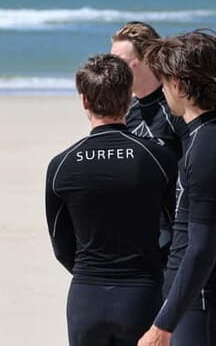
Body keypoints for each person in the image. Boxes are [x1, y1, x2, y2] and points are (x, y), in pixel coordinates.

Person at [46, 54, 177, 346]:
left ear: (84, 101)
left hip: (85, 298)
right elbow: (178, 231)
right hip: (141, 294)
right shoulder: (157, 158)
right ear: (128, 96)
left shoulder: (61, 165)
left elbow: (61, 245)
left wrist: (93, 272)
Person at [138, 31, 216, 346]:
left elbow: (202, 246)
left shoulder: (212, 146)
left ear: (178, 84)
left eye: (163, 82)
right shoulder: (205, 135)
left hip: (203, 309)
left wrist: (162, 326)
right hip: (193, 306)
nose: (162, 91)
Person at [111, 21, 188, 261]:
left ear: (147, 59)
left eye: (119, 62)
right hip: (137, 231)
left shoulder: (176, 109)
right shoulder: (126, 110)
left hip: (175, 232)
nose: (112, 69)